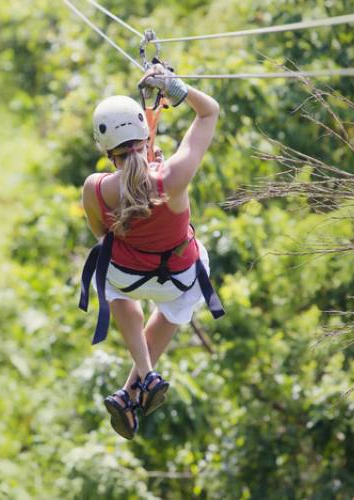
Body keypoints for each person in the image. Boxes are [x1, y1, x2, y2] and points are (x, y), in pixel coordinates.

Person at [79, 64, 223, 440]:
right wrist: (178, 89)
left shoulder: (95, 189)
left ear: (107, 151)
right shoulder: (173, 177)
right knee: (178, 301)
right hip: (179, 277)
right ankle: (136, 385)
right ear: (145, 136)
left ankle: (141, 379)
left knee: (107, 271)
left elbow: (101, 232)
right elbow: (210, 112)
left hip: (127, 275)